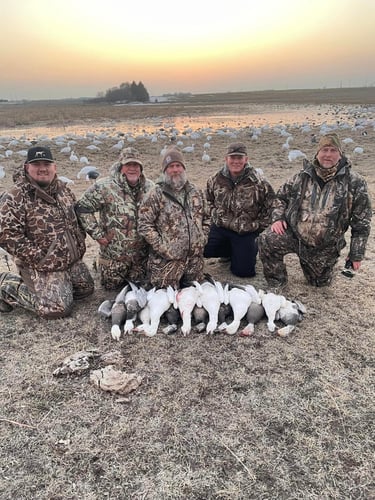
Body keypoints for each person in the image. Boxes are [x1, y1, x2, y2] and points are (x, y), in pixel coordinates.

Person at [258, 132, 372, 289]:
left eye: (333, 150)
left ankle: (314, 268)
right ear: (317, 153)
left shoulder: (355, 183)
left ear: (340, 154)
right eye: (324, 150)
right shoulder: (301, 177)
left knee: (319, 284)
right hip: (295, 236)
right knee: (267, 239)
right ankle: (277, 282)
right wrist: (278, 218)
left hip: (325, 246)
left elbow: (362, 224)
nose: (328, 155)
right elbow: (279, 198)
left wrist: (356, 254)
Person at [0, 145, 94, 318]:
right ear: (27, 167)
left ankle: (60, 282)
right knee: (56, 309)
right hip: (41, 264)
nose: (42, 168)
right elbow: (7, 236)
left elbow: (76, 219)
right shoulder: (15, 196)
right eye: (36, 164)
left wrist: (79, 241)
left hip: (69, 261)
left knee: (85, 291)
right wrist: (41, 257)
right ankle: (6, 285)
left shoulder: (63, 190)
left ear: (54, 167)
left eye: (46, 164)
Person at [75, 147, 154, 290]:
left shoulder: (151, 188)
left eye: (136, 165)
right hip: (114, 259)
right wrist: (98, 234)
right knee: (111, 287)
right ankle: (98, 263)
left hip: (141, 260)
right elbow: (82, 207)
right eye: (128, 165)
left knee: (143, 288)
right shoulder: (105, 186)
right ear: (120, 166)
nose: (132, 169)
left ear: (141, 168)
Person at [138, 146, 210, 289]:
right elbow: (144, 224)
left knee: (196, 291)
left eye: (178, 166)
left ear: (183, 168)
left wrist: (203, 238)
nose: (175, 170)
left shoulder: (196, 192)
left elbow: (207, 217)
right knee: (166, 294)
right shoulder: (156, 194)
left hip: (193, 260)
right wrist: (162, 247)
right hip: (167, 260)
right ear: (165, 170)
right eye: (171, 166)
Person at [203, 142, 275, 277]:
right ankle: (229, 252)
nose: (236, 161)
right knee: (201, 246)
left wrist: (259, 226)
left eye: (240, 158)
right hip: (221, 228)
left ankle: (250, 248)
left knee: (244, 272)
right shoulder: (215, 179)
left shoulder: (258, 181)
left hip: (246, 231)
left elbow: (271, 204)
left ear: (246, 159)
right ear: (226, 159)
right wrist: (215, 215)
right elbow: (207, 201)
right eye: (232, 157)